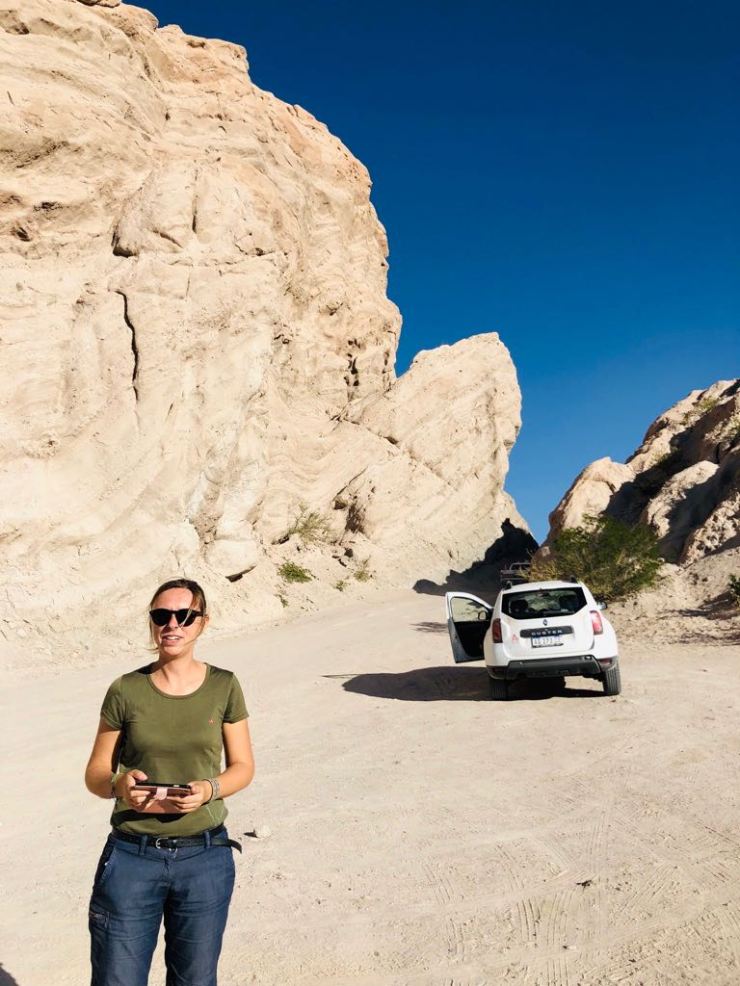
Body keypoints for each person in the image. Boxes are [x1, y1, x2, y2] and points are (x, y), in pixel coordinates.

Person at [84, 577, 254, 986]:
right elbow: (95, 773)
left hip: (205, 857)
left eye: (184, 615)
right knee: (116, 979)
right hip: (131, 857)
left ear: (202, 622)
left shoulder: (224, 685)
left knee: (194, 980)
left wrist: (208, 790)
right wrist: (120, 785)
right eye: (161, 616)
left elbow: (243, 766)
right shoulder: (126, 689)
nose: (171, 624)